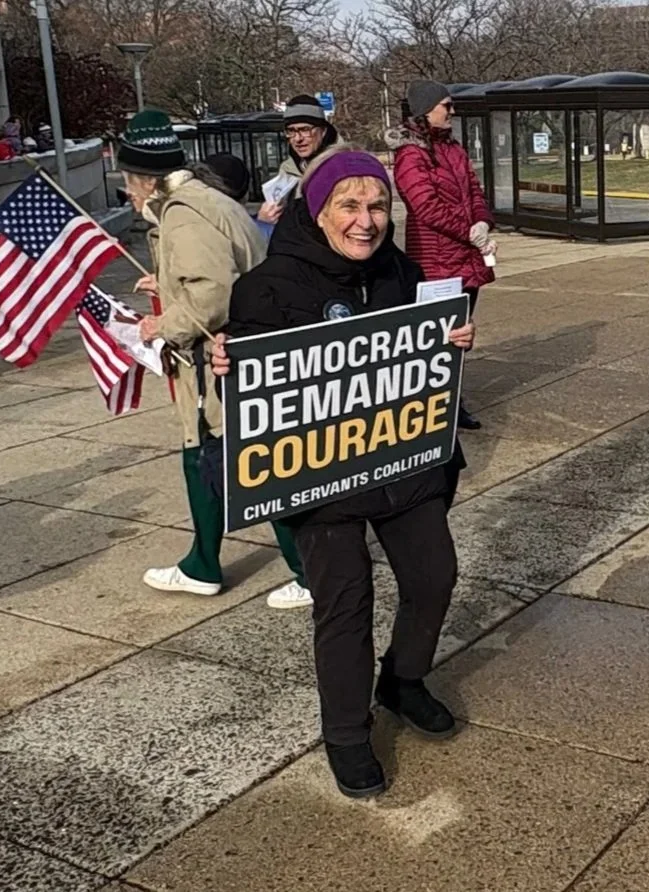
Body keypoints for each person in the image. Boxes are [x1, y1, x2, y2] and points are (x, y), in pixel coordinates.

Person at [211, 146, 476, 798]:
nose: (366, 220)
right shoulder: (266, 288)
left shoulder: (404, 273)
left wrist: (452, 341)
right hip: (319, 480)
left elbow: (427, 361)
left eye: (378, 205)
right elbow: (255, 397)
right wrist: (229, 366)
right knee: (345, 604)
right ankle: (348, 735)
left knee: (434, 576)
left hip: (401, 461)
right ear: (317, 211)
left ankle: (403, 680)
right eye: (349, 206)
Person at [116, 108, 311, 611]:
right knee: (239, 458)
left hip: (215, 359)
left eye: (127, 181)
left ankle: (303, 571)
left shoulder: (182, 213)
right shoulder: (209, 201)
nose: (127, 192)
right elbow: (214, 270)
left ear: (142, 177)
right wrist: (162, 284)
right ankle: (204, 561)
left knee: (234, 461)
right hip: (238, 350)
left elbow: (211, 293)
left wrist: (163, 324)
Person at [388, 80, 494, 431]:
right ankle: (435, 404)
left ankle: (452, 399)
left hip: (464, 259)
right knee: (437, 339)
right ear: (425, 109)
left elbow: (474, 190)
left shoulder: (454, 149)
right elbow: (426, 207)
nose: (452, 111)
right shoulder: (411, 154)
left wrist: (481, 220)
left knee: (460, 335)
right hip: (436, 263)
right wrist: (467, 231)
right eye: (446, 106)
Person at [259, 94, 340, 228]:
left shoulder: (345, 166)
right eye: (291, 131)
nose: (298, 139)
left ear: (323, 131)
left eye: (304, 130)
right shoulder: (287, 170)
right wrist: (264, 221)